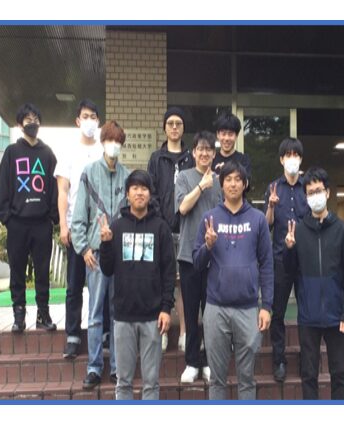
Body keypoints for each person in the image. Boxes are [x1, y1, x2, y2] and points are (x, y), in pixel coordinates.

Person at [193, 161, 273, 400]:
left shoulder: (258, 219)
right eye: (228, 179)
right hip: (216, 308)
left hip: (248, 309)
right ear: (221, 184)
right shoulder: (209, 218)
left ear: (245, 184)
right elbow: (196, 263)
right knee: (216, 379)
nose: (233, 184)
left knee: (246, 379)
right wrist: (208, 246)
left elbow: (267, 264)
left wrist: (266, 306)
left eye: (238, 179)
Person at [99, 170, 176, 400]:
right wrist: (105, 244)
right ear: (127, 194)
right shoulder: (117, 227)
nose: (139, 193)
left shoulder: (161, 228)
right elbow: (107, 270)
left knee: (151, 383)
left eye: (144, 188)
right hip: (123, 316)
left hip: (153, 316)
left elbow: (169, 272)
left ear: (150, 194)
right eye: (135, 188)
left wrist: (166, 308)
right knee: (123, 382)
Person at [284, 167, 344, 400]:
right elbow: (289, 272)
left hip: (336, 317)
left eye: (318, 190)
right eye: (310, 192)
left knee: (338, 373)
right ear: (306, 197)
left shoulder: (341, 229)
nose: (315, 196)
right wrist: (289, 249)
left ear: (327, 193)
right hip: (308, 315)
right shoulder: (299, 230)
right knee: (308, 374)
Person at [71, 120, 130, 389]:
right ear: (102, 142)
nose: (113, 145)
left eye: (118, 141)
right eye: (110, 140)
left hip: (119, 256)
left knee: (118, 312)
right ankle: (94, 367)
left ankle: (117, 367)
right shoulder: (89, 172)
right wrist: (83, 248)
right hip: (95, 254)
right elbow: (78, 217)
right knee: (95, 312)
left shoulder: (128, 177)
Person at [0, 103, 58, 334]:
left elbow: (54, 186)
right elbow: (3, 184)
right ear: (20, 124)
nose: (32, 123)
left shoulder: (47, 153)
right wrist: (6, 217)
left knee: (43, 272)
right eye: (28, 119)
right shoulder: (11, 152)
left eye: (36, 119)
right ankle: (19, 315)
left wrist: (52, 217)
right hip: (17, 223)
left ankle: (43, 314)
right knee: (17, 271)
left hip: (41, 223)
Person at [55, 99, 104, 359]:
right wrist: (63, 224)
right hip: (76, 227)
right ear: (77, 121)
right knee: (74, 285)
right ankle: (73, 335)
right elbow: (63, 191)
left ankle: (104, 332)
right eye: (85, 116)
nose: (89, 121)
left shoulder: (103, 149)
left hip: (100, 228)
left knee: (102, 283)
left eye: (93, 117)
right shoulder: (68, 151)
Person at [174, 131, 222, 384]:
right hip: (189, 256)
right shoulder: (183, 177)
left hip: (215, 257)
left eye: (208, 149)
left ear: (214, 154)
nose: (204, 153)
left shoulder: (220, 181)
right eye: (200, 149)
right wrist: (202, 186)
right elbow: (182, 208)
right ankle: (192, 362)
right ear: (193, 153)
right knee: (192, 312)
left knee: (211, 314)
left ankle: (210, 361)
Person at [263, 138, 309, 382]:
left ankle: (307, 358)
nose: (292, 159)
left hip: (304, 259)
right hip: (280, 258)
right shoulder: (273, 188)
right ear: (281, 160)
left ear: (301, 159)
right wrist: (271, 207)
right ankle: (279, 360)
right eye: (288, 155)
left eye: (296, 155)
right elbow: (267, 225)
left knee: (307, 310)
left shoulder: (308, 187)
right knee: (278, 311)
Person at [147, 106, 193, 352]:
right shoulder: (156, 158)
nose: (174, 127)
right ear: (164, 128)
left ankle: (185, 332)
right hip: (162, 230)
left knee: (185, 283)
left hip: (186, 230)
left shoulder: (191, 158)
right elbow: (151, 192)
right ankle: (162, 331)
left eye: (178, 123)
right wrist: (160, 222)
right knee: (162, 281)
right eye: (170, 123)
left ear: (183, 128)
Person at [211, 112, 251, 179]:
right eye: (223, 134)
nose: (226, 138)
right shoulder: (211, 160)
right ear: (217, 134)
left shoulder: (244, 160)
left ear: (236, 136)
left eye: (230, 134)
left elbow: (246, 183)